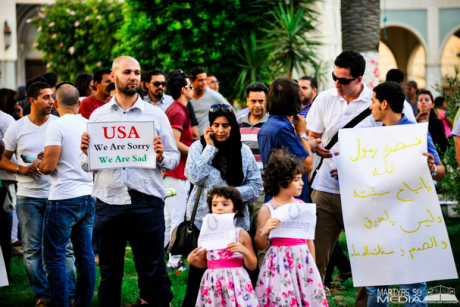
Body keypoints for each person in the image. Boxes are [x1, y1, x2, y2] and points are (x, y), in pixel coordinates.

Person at [80, 56, 180, 307]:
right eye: (127, 72)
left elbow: (174, 157)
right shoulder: (98, 116)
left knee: (153, 269)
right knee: (110, 272)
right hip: (109, 201)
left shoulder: (156, 115)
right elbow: (86, 166)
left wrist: (160, 156)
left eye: (137, 72)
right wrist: (85, 154)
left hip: (147, 202)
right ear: (113, 77)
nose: (134, 76)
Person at [366, 81, 445, 306]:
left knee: (411, 283)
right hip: (379, 220)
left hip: (408, 220)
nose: (370, 107)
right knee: (376, 286)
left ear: (384, 104)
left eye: (372, 102)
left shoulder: (416, 133)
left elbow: (440, 171)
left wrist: (431, 168)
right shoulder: (371, 137)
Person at [0, 82, 76, 307]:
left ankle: (69, 294)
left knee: (65, 248)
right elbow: (3, 158)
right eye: (45, 97)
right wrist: (20, 168)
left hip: (58, 196)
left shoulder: (60, 124)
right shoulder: (17, 127)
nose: (52, 101)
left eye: (52, 97)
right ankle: (41, 295)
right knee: (32, 249)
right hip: (28, 197)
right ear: (31, 100)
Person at [181, 103, 262, 307]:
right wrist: (210, 149)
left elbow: (256, 185)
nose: (220, 130)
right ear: (209, 126)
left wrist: (231, 196)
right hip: (203, 222)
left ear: (233, 126)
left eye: (225, 125)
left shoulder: (243, 151)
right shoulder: (198, 148)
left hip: (236, 223)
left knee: (240, 271)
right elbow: (193, 176)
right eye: (215, 125)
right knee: (200, 274)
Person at [30, 84, 95, 307]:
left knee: (55, 255)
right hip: (88, 195)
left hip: (64, 197)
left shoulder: (56, 125)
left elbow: (48, 168)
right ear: (79, 103)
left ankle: (60, 303)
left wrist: (39, 162)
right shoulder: (89, 124)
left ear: (56, 104)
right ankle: (83, 302)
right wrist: (49, 156)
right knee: (85, 254)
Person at [254, 149, 328, 307]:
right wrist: (264, 231)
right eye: (296, 179)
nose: (302, 183)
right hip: (278, 263)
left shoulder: (302, 206)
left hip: (302, 261)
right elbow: (260, 245)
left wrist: (312, 266)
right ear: (281, 182)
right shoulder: (267, 209)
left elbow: (309, 240)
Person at [188, 186, 258, 307]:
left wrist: (245, 251)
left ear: (235, 209)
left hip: (236, 281)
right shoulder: (206, 234)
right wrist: (191, 259)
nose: (219, 208)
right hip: (212, 281)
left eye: (225, 204)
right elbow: (206, 262)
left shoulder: (241, 234)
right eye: (215, 205)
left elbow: (252, 266)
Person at [258, 77, 313, 203]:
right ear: (294, 100)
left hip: (274, 197)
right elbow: (308, 165)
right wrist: (302, 134)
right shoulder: (283, 129)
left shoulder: (268, 126)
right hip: (289, 200)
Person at [163, 70, 194, 270]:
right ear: (184, 90)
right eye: (190, 86)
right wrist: (196, 150)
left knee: (169, 217)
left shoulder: (179, 108)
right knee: (176, 217)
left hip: (175, 172)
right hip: (176, 172)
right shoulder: (177, 110)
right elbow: (174, 143)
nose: (193, 89)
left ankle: (163, 258)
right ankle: (174, 260)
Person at [189, 67, 230, 135]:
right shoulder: (188, 95)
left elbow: (231, 110)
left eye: (205, 79)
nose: (204, 82)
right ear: (192, 81)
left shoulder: (213, 95)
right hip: (190, 138)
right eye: (200, 80)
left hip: (208, 137)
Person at [415, 90, 447, 155]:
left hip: (434, 159)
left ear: (432, 104)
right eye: (420, 100)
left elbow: (443, 146)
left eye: (426, 100)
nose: (423, 102)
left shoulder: (438, 123)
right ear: (417, 105)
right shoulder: (412, 121)